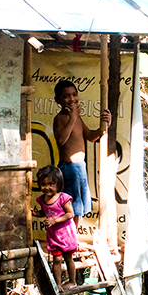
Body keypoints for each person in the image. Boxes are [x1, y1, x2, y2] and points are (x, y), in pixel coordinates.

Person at [53, 79, 111, 231]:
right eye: (66, 96)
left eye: (74, 95)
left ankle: (74, 238)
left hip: (80, 168)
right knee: (69, 207)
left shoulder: (77, 118)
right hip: (69, 169)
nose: (71, 99)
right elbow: (61, 140)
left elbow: (91, 137)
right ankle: (69, 238)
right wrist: (72, 117)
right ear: (58, 99)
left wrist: (105, 126)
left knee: (78, 208)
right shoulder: (60, 118)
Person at [32, 165, 79, 291]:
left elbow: (70, 214)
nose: (47, 187)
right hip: (54, 236)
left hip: (66, 234)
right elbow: (45, 212)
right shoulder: (42, 199)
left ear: (58, 184)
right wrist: (36, 214)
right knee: (56, 259)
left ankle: (72, 281)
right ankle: (57, 284)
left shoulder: (63, 198)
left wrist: (55, 220)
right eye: (43, 184)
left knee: (68, 258)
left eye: (51, 184)